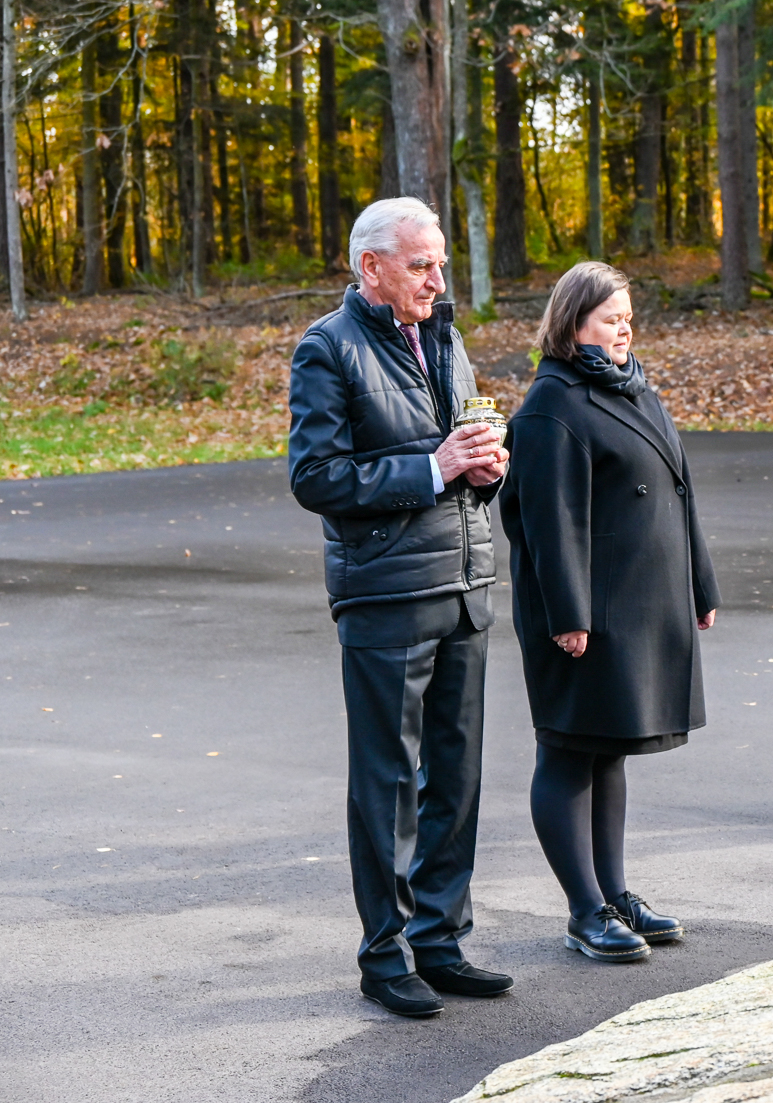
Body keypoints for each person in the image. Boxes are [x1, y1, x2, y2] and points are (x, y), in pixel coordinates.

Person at [288, 197, 512, 1018]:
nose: (436, 279)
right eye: (421, 265)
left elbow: (460, 455)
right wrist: (433, 468)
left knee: (455, 777)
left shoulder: (446, 338)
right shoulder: (326, 348)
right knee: (388, 785)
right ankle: (384, 956)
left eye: (440, 263)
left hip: (464, 585)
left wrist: (485, 471)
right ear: (371, 266)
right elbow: (316, 478)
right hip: (386, 594)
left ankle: (440, 942)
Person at [499, 262, 720, 964]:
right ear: (573, 325)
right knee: (569, 751)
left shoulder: (635, 387)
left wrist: (700, 586)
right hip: (584, 614)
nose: (624, 330)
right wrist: (569, 614)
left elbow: (680, 490)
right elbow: (549, 521)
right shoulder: (552, 405)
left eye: (628, 317)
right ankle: (584, 910)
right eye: (610, 319)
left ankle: (614, 894)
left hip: (639, 602)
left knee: (608, 749)